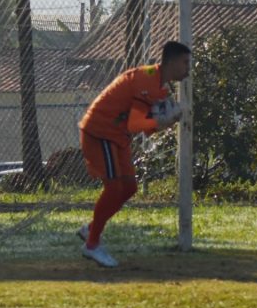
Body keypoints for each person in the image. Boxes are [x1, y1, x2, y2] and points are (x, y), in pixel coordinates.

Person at [77, 40, 192, 267]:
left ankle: (92, 228)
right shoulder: (148, 80)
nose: (188, 68)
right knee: (114, 187)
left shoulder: (158, 84)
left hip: (117, 137)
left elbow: (145, 128)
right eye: (185, 62)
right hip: (101, 132)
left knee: (129, 187)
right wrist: (163, 119)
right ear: (172, 61)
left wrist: (164, 123)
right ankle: (92, 245)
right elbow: (135, 123)